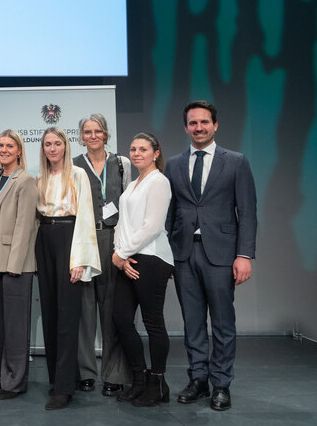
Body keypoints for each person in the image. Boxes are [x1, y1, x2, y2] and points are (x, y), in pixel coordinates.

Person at [164, 101, 257, 412]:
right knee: (192, 322)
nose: (199, 127)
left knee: (222, 322)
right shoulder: (175, 164)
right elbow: (170, 212)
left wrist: (244, 254)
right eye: (193, 123)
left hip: (221, 253)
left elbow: (247, 212)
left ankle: (221, 384)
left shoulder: (236, 162)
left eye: (204, 122)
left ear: (215, 125)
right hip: (184, 253)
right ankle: (198, 379)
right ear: (186, 127)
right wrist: (167, 255)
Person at [34, 127, 101, 410]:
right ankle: (62, 378)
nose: (52, 148)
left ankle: (63, 390)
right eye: (48, 144)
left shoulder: (77, 174)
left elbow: (86, 215)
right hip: (44, 238)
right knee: (50, 313)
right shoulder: (39, 179)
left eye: (57, 143)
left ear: (65, 145)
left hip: (69, 237)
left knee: (67, 314)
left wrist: (80, 259)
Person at [111, 133, 175, 407]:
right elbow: (121, 223)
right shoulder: (134, 184)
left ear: (156, 153)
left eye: (143, 149)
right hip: (128, 259)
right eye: (133, 148)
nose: (137, 153)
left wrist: (122, 253)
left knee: (153, 322)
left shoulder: (159, 182)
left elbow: (152, 226)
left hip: (151, 259)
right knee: (121, 320)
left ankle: (158, 383)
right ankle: (139, 378)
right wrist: (120, 256)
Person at [72, 114, 132, 397]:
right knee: (84, 310)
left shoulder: (122, 164)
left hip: (113, 241)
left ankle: (113, 374)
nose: (93, 135)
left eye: (98, 131)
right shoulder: (73, 166)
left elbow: (130, 205)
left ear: (106, 135)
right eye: (87, 131)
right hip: (84, 239)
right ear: (81, 136)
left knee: (111, 310)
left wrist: (125, 248)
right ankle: (85, 372)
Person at [0, 130, 39, 400]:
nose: (3, 149)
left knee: (15, 327)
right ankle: (1, 375)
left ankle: (15, 382)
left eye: (9, 146)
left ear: (19, 151)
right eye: (0, 145)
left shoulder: (24, 180)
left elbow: (25, 225)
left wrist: (14, 263)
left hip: (15, 264)